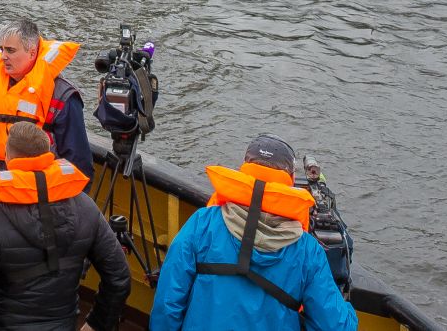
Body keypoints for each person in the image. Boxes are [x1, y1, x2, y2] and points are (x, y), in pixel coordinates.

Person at [147, 135, 357, 331]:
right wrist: (346, 306)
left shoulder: (202, 224)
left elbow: (167, 306)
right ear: (291, 180)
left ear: (244, 171)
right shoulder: (307, 252)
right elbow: (336, 326)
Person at [0, 122, 130, 331]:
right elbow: (119, 278)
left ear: (9, 158)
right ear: (49, 155)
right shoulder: (86, 208)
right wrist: (96, 324)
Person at [0, 16, 90, 200]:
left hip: (39, 200)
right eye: (1, 49)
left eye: (11, 50)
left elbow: (78, 161)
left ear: (32, 52)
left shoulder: (62, 97)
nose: (3, 56)